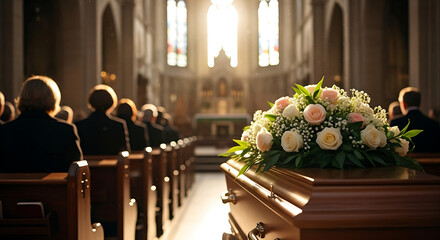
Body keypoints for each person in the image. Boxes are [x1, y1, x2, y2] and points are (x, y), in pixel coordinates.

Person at [0, 75, 82, 173]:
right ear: (53, 99)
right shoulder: (65, 130)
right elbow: (77, 171)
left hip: (13, 188)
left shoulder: (4, 131)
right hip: (54, 188)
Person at [75, 84, 130, 155]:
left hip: (88, 165)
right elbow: (125, 152)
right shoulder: (118, 125)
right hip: (113, 165)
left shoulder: (79, 125)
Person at [390, 87, 440, 152]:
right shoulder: (434, 124)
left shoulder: (395, 123)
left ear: (403, 104)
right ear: (420, 103)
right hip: (433, 161)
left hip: (405, 161)